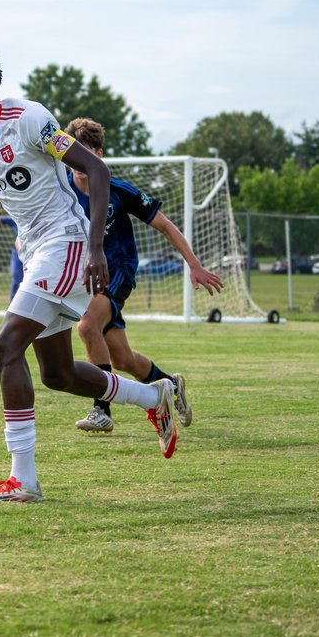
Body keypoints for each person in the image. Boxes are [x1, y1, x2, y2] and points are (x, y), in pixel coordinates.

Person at [0, 47, 178, 504]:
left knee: (5, 347)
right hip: (36, 252)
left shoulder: (29, 119)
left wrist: (96, 247)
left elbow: (96, 169)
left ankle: (22, 480)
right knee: (58, 374)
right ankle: (152, 398)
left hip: (65, 242)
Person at [63, 118, 224, 433]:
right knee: (122, 359)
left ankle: (101, 410)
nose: (79, 163)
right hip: (85, 276)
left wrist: (194, 263)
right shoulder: (60, 188)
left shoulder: (118, 191)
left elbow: (163, 224)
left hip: (117, 270)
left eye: (87, 153)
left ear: (99, 154)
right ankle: (172, 385)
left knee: (86, 327)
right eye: (73, 154)